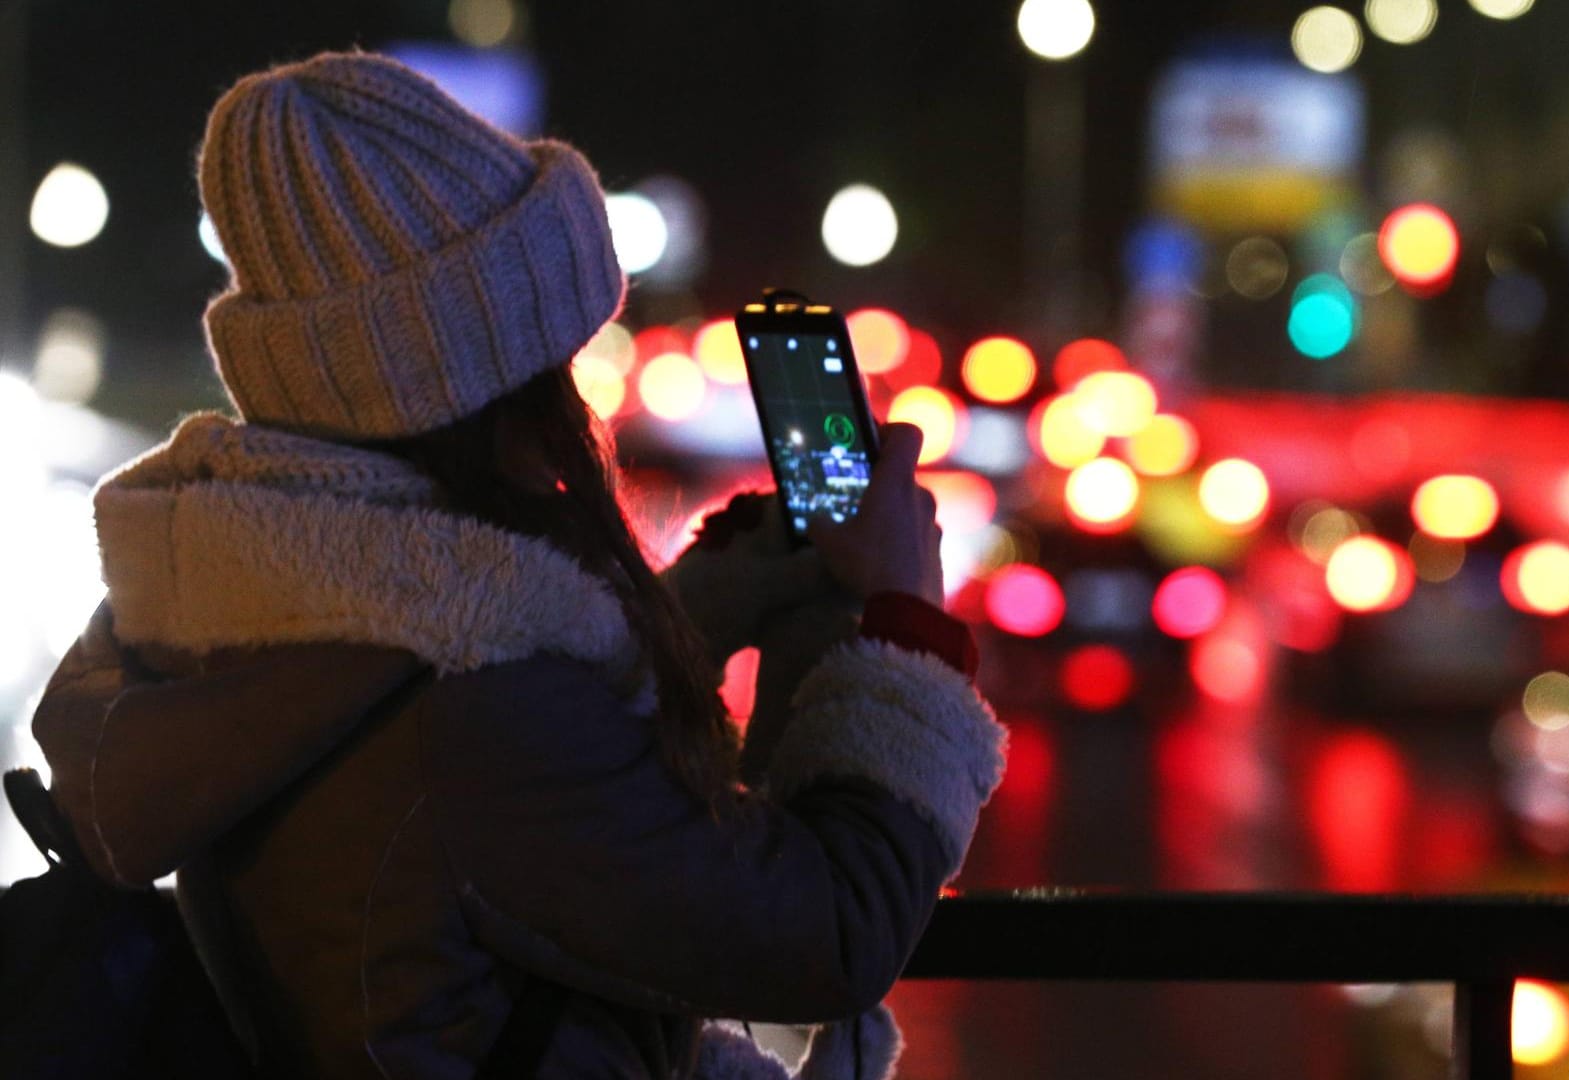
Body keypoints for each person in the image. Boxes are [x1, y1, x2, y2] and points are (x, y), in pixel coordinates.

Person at [30, 51, 1005, 1079]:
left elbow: (456, 739)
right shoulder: (476, 718)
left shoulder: (258, 609)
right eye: (553, 360)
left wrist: (708, 602)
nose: (578, 402)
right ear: (472, 389)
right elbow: (827, 933)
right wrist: (904, 628)